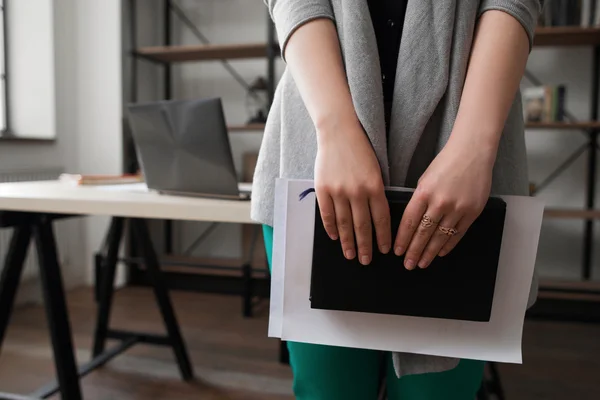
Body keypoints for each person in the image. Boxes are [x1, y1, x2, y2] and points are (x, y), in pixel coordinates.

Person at [251, 1, 542, 399]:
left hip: (468, 158)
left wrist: (474, 146)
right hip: (318, 157)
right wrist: (335, 130)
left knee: (438, 395)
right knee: (329, 391)